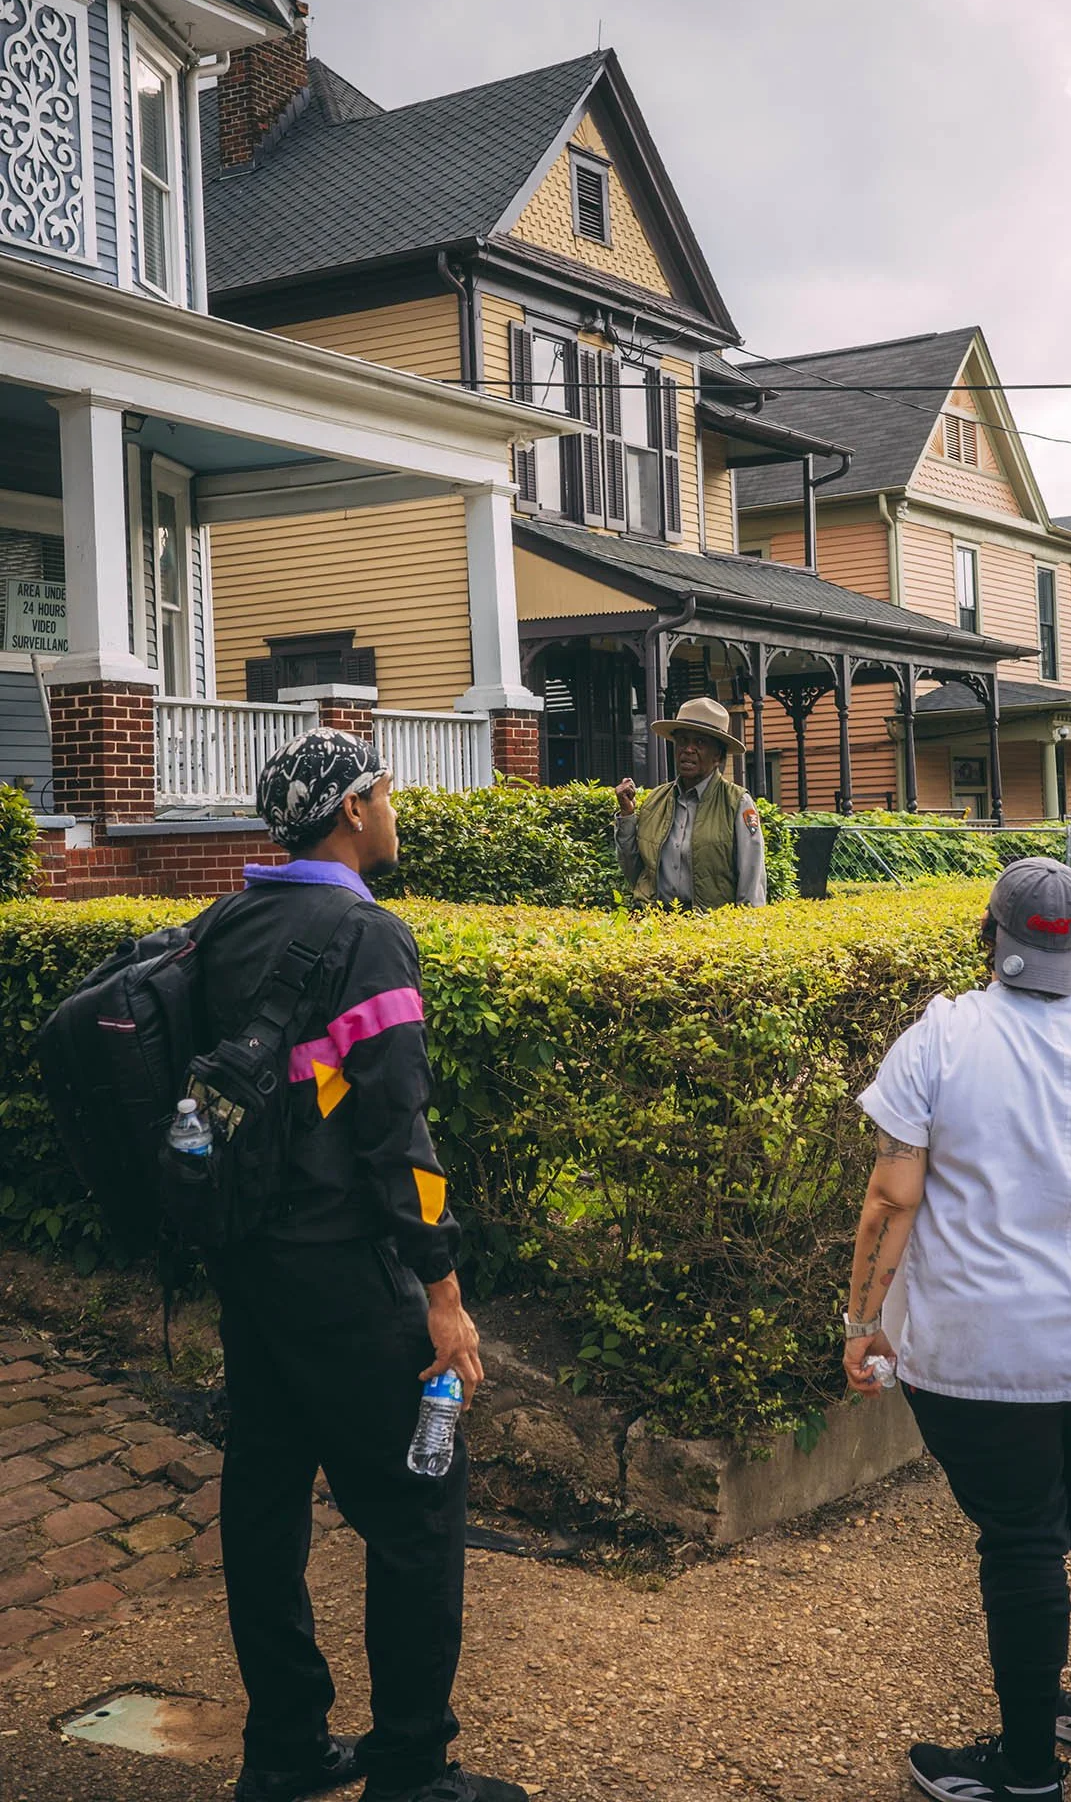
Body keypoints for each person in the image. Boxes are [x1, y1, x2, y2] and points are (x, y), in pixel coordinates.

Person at [202, 729, 524, 1802]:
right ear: (351, 808)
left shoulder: (227, 920)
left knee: (264, 1503)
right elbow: (396, 1130)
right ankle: (411, 1770)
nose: (393, 808)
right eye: (385, 792)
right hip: (345, 1269)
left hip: (250, 1265)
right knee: (418, 1509)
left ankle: (285, 1749)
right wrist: (443, 1290)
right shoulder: (366, 935)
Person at [841, 857, 1071, 1802]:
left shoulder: (941, 1037)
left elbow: (890, 1199)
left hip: (988, 1345)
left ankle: (1026, 1771)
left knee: (1024, 1538)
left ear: (988, 933)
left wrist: (862, 1322)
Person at [614, 694, 766, 910]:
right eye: (683, 741)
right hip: (656, 921)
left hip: (710, 925)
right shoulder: (655, 800)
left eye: (700, 742)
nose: (688, 749)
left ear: (718, 755)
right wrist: (627, 816)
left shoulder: (738, 803)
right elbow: (636, 873)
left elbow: (752, 879)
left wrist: (744, 925)